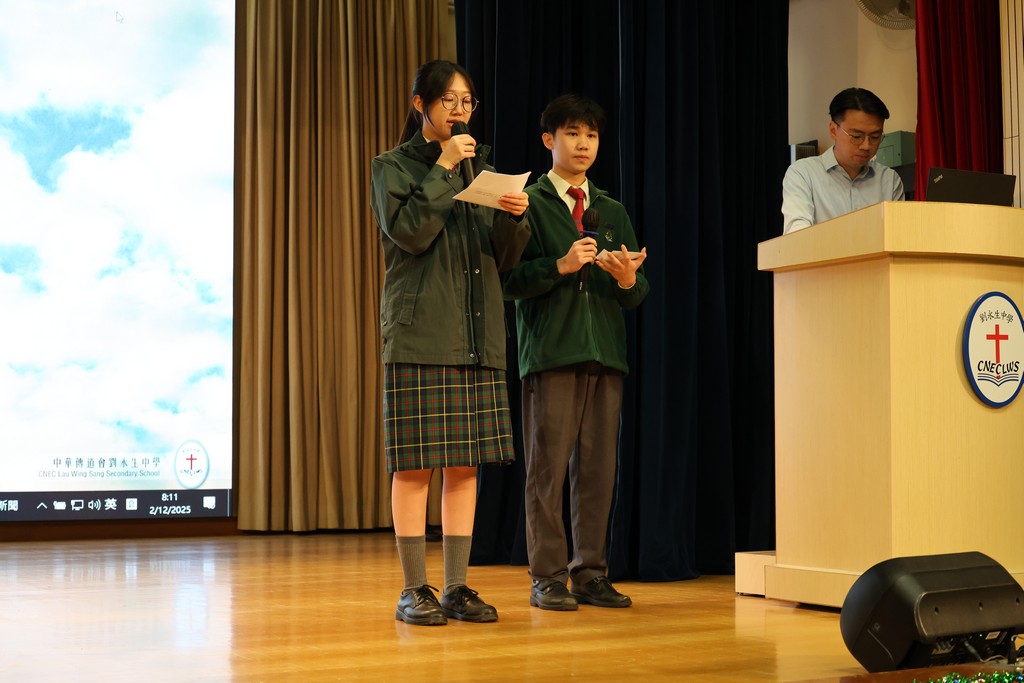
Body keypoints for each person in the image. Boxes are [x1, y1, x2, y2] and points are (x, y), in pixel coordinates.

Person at [369, 59, 531, 626]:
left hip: (476, 334)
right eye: (450, 102)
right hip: (421, 332)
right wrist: (442, 167)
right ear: (421, 104)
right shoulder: (392, 166)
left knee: (465, 467)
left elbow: (504, 260)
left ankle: (457, 587)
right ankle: (414, 588)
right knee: (414, 466)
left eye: (467, 103)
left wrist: (514, 218)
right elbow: (409, 233)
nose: (461, 112)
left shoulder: (479, 170)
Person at [502, 94, 648, 611]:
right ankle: (546, 575)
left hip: (605, 355)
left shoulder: (612, 210)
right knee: (547, 471)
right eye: (572, 133)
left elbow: (637, 292)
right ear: (549, 140)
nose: (583, 143)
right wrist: (559, 266)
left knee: (597, 471)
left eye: (591, 135)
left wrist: (627, 278)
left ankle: (590, 573)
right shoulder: (528, 202)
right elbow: (508, 281)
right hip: (552, 354)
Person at [782, 87, 905, 234]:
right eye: (856, 136)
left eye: (875, 137)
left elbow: (898, 236)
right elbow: (797, 235)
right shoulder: (803, 174)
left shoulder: (889, 180)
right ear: (833, 130)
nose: (866, 146)